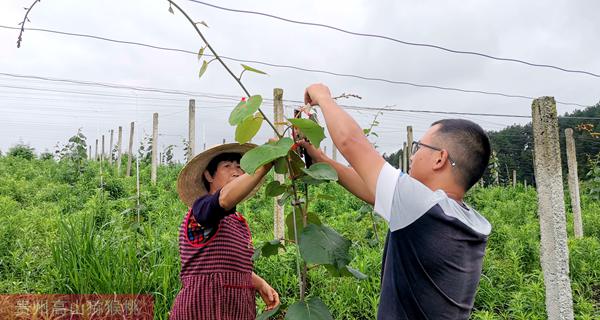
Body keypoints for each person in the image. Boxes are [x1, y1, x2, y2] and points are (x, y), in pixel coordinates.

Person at [299, 83, 492, 320]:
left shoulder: (423, 206)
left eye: (419, 147)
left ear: (440, 159)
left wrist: (323, 97)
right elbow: (371, 190)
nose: (412, 155)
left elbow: (351, 142)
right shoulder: (460, 216)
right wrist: (320, 158)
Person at [170, 143, 279, 320]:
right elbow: (223, 200)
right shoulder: (201, 210)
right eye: (227, 166)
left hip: (237, 310)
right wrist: (264, 165)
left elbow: (231, 266)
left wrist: (260, 284)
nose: (236, 172)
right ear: (208, 175)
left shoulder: (238, 222)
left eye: (240, 167)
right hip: (201, 310)